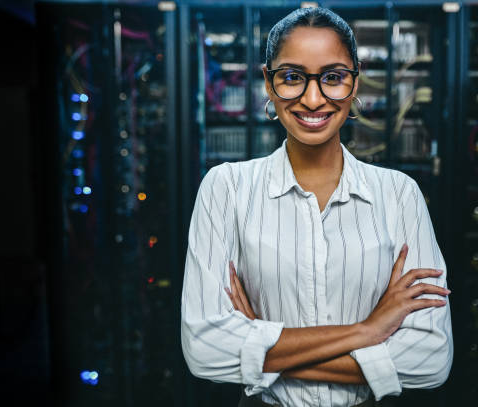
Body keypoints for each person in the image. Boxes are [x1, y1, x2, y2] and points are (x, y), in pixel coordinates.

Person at [181, 7, 453, 407]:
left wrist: (259, 340)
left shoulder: (399, 195)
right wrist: (368, 330)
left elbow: (430, 360)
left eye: (333, 77)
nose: (313, 98)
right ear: (268, 83)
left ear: (355, 80)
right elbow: (205, 349)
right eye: (292, 77)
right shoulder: (226, 189)